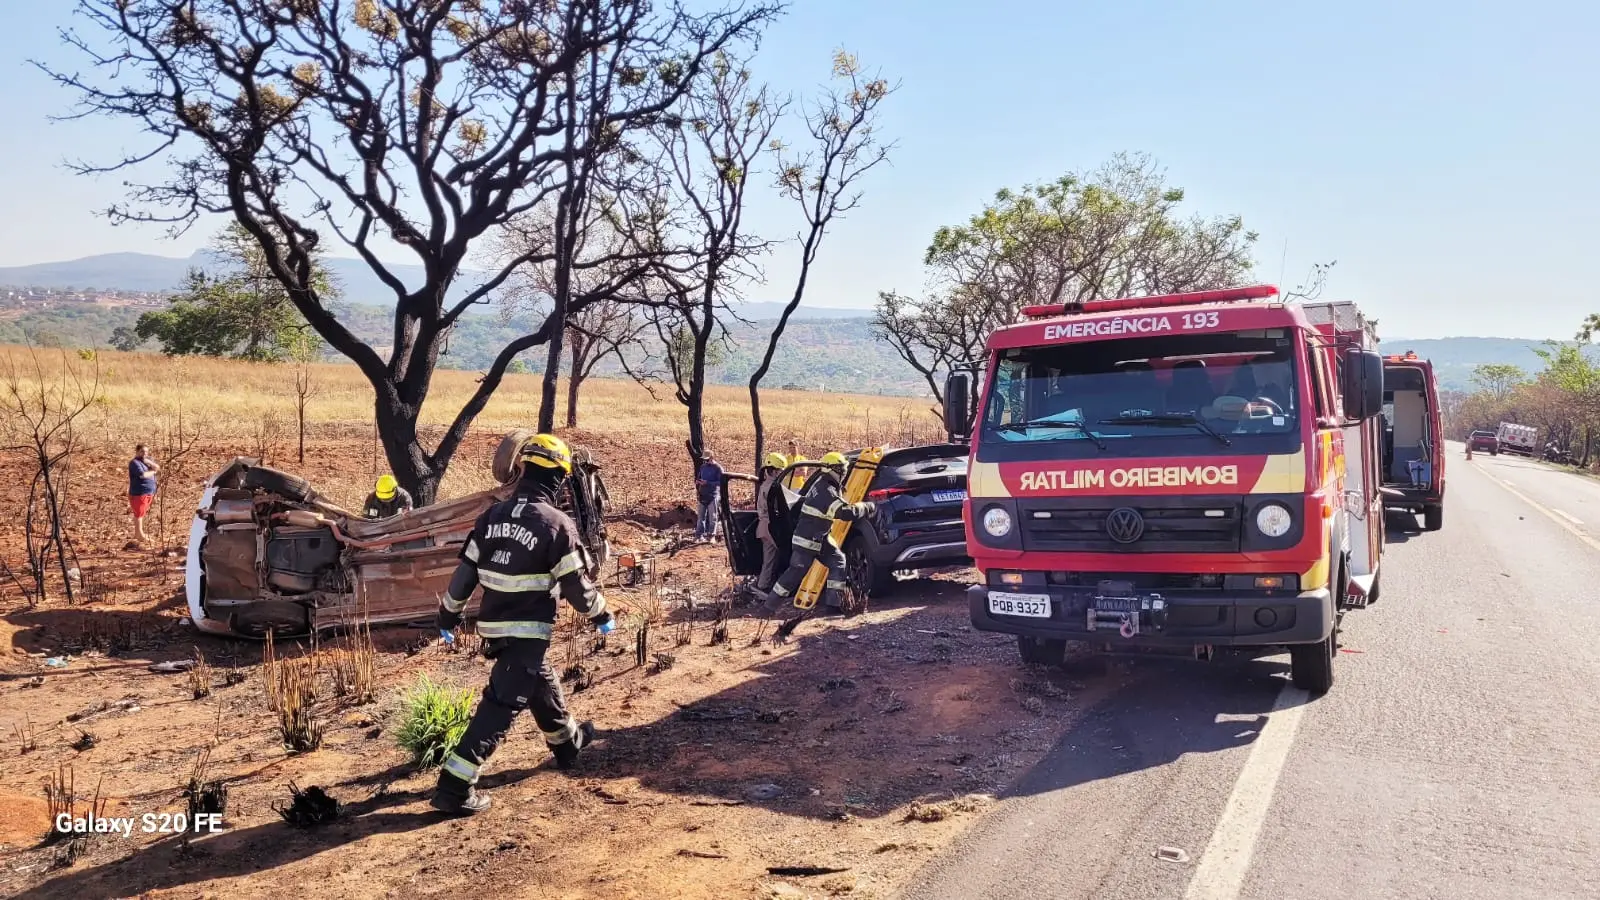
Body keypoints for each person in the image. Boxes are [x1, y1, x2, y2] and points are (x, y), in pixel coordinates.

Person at [431, 433, 614, 816]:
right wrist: (602, 614)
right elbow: (577, 590)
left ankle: (567, 744)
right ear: (559, 479)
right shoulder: (556, 524)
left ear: (523, 469)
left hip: (496, 628)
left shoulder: (491, 518)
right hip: (527, 630)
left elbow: (465, 576)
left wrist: (448, 615)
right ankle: (454, 787)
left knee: (538, 681)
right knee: (499, 707)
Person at [765, 451, 875, 617]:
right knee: (795, 573)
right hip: (806, 540)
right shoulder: (826, 490)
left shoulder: (824, 485)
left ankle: (833, 606)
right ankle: (768, 608)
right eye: (841, 468)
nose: (844, 472)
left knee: (838, 561)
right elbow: (844, 513)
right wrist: (866, 507)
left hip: (820, 538)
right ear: (831, 469)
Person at [755, 452, 788, 592]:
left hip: (764, 526)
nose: (782, 474)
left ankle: (764, 584)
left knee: (770, 559)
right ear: (774, 471)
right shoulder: (774, 487)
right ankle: (764, 587)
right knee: (787, 555)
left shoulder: (765, 485)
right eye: (781, 471)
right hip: (770, 527)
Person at [128, 444, 160, 543]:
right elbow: (143, 475)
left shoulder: (147, 460)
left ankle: (138, 533)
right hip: (139, 492)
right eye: (142, 451)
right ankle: (140, 534)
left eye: (146, 451)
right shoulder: (134, 463)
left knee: (142, 513)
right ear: (137, 451)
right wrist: (153, 472)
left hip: (149, 491)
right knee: (139, 514)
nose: (144, 454)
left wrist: (149, 462)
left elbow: (157, 467)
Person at [694, 450, 725, 543]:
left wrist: (708, 483)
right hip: (702, 494)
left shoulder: (718, 468)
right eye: (704, 460)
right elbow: (699, 477)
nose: (705, 461)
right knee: (701, 517)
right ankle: (699, 536)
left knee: (713, 517)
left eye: (707, 460)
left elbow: (722, 482)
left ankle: (712, 536)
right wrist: (698, 482)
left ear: (712, 458)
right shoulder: (703, 467)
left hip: (713, 495)